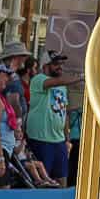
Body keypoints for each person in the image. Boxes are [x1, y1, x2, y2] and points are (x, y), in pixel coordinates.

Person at [27, 50, 81, 187]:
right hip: (41, 140)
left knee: (62, 181)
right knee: (44, 183)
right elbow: (58, 81)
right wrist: (82, 76)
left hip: (59, 141)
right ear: (45, 65)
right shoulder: (38, 80)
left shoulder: (61, 85)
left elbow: (64, 112)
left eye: (61, 64)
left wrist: (67, 139)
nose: (60, 67)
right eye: (56, 63)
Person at [0, 41, 30, 122]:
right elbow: (13, 101)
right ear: (16, 57)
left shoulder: (7, 73)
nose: (25, 58)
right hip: (9, 124)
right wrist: (18, 121)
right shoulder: (10, 75)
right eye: (23, 55)